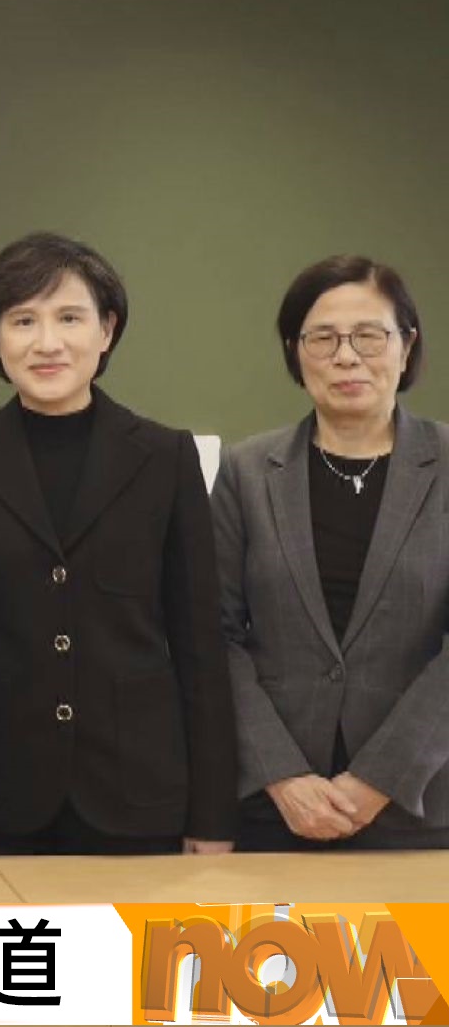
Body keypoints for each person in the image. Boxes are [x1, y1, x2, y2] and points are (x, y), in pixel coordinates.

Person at [0, 232, 235, 857]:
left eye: (70, 318)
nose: (47, 342)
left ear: (107, 330)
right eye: (23, 320)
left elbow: (201, 649)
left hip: (137, 795)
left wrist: (212, 818)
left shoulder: (165, 457)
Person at [213, 255, 449, 850]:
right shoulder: (246, 472)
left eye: (369, 336)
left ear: (406, 346)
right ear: (295, 352)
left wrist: (380, 778)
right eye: (322, 338)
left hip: (421, 810)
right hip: (274, 810)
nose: (346, 357)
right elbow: (216, 635)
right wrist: (282, 775)